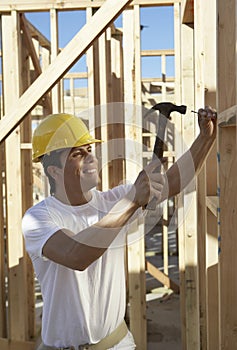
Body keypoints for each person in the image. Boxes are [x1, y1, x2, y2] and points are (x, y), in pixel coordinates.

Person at [22, 106, 217, 350]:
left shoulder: (112, 201)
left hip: (117, 344)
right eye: (76, 154)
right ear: (54, 171)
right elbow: (76, 255)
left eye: (89, 150)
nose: (91, 157)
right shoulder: (38, 218)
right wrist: (132, 201)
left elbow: (174, 181)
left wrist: (205, 138)